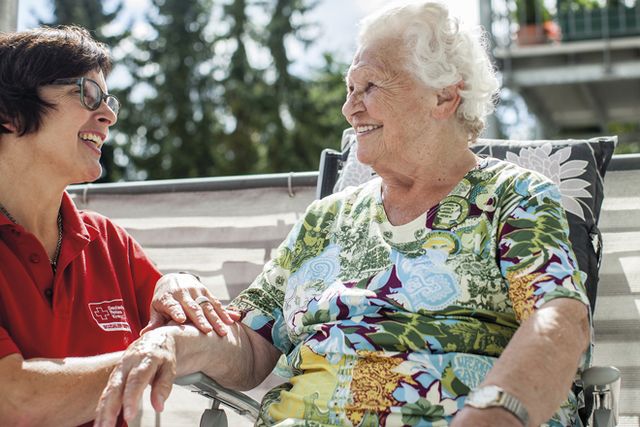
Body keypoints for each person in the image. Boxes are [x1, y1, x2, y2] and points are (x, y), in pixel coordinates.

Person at [95, 2, 591, 426]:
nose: (349, 109)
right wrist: (171, 342)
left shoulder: (512, 196)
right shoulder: (325, 220)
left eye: (369, 86)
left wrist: (495, 412)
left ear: (444, 95)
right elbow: (249, 344)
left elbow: (560, 319)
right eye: (349, 90)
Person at [0, 26, 238, 427]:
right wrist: (151, 357)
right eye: (86, 94)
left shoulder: (109, 242)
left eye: (108, 100)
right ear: (8, 113)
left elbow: (223, 346)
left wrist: (176, 283)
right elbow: (15, 400)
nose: (108, 115)